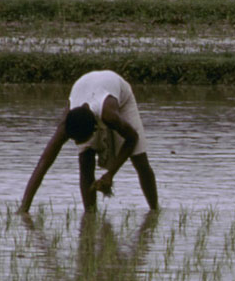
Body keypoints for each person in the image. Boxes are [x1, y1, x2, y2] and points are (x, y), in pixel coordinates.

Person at [20, 70, 159, 213]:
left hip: (116, 92)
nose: (76, 144)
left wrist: (110, 174)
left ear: (94, 129)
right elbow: (43, 163)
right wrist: (23, 209)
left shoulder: (109, 115)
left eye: (80, 140)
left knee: (140, 160)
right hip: (85, 85)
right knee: (85, 160)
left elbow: (133, 138)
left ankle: (154, 210)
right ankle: (90, 216)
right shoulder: (66, 124)